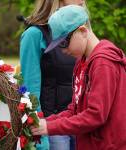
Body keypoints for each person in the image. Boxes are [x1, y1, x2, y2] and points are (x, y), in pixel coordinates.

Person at [30, 5, 126, 150]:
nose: (63, 50)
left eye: (64, 42)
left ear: (82, 31)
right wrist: (44, 122)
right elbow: (75, 110)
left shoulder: (103, 64)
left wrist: (50, 127)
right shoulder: (81, 63)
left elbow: (95, 115)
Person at [20, 0, 90, 150]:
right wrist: (40, 139)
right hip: (53, 130)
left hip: (80, 124)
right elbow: (30, 92)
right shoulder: (34, 35)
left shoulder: (82, 32)